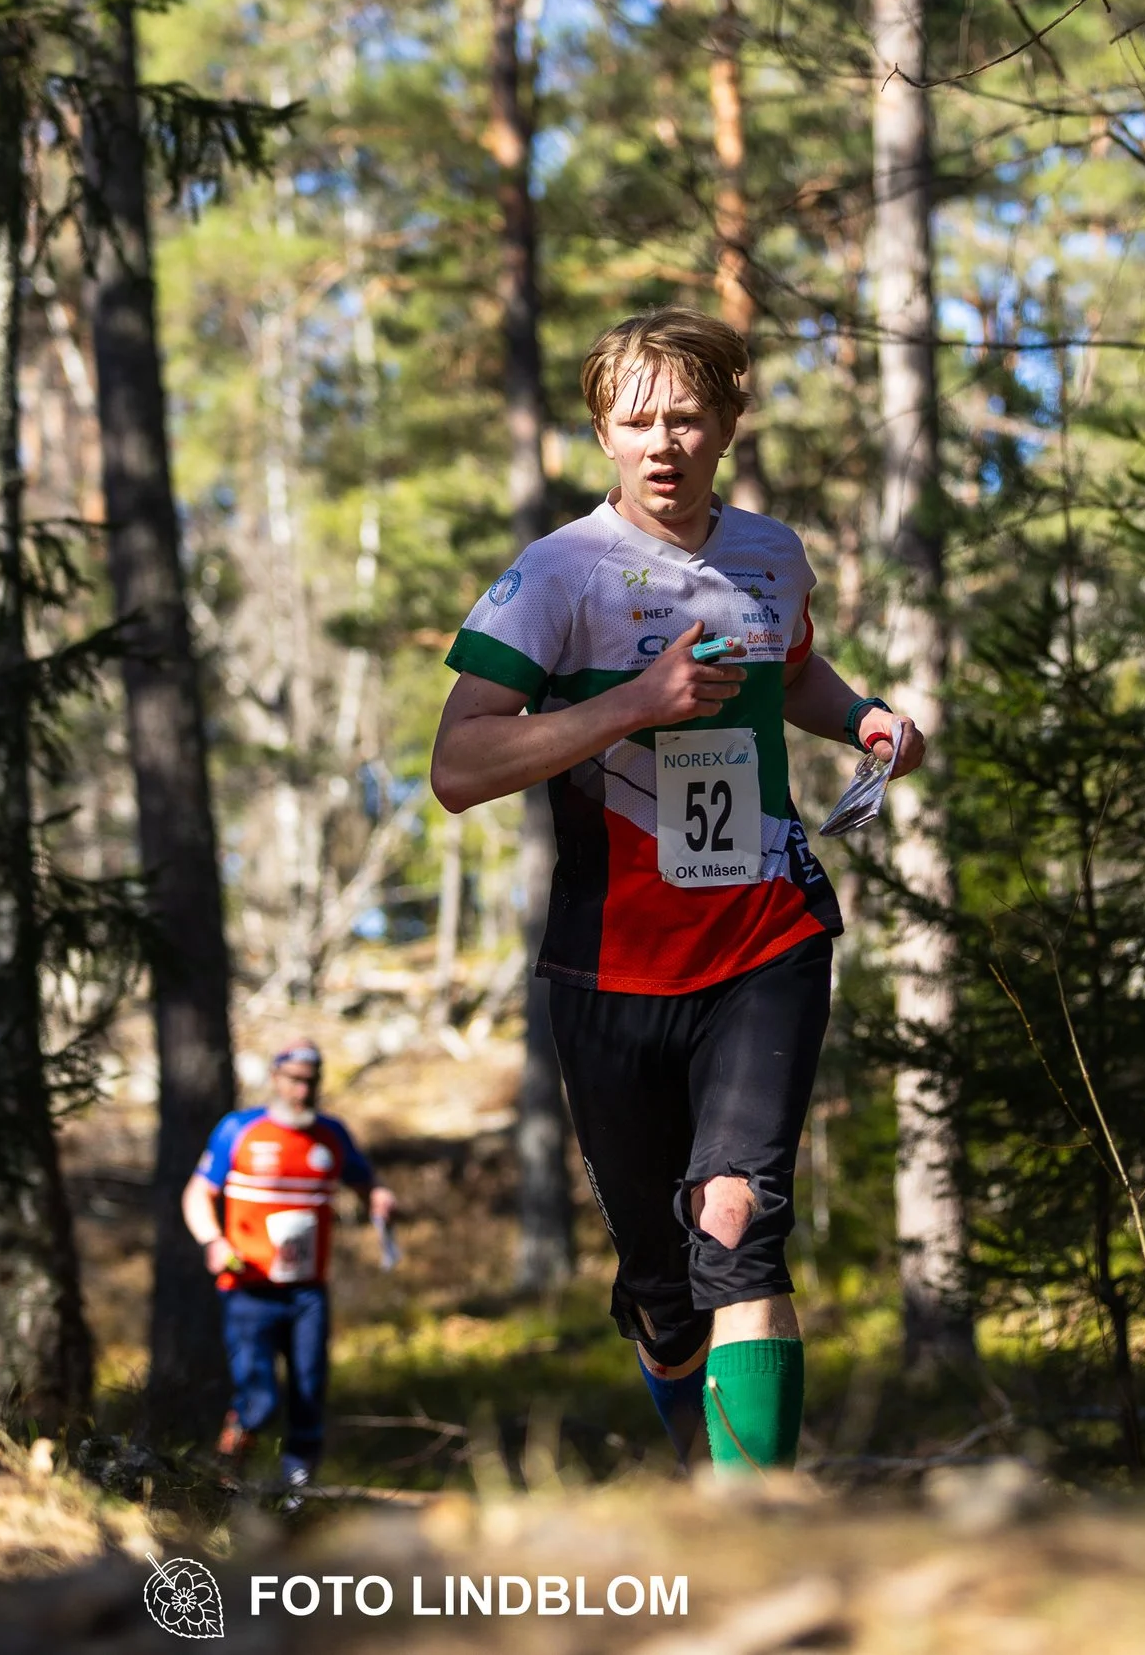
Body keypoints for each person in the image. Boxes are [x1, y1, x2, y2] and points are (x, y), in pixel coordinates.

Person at [428, 307, 926, 1476]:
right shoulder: (557, 574)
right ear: (601, 430)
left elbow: (790, 666)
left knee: (736, 1219)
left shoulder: (769, 552)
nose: (664, 442)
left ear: (727, 425)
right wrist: (629, 706)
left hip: (765, 933)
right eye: (638, 420)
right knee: (663, 1288)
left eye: (687, 417)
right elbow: (458, 767)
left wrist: (859, 715)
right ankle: (704, 1472)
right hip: (609, 965)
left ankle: (761, 1518)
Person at [182, 1039, 397, 1491]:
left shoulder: (331, 1135)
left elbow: (363, 1180)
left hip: (307, 1292)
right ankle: (226, 1480)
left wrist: (376, 1195)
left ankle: (298, 1493)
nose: (303, 1090)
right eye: (295, 1080)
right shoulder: (239, 1130)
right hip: (249, 1286)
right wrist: (213, 1240)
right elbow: (198, 1193)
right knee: (258, 1399)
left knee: (308, 1392)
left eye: (311, 1082)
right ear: (275, 1078)